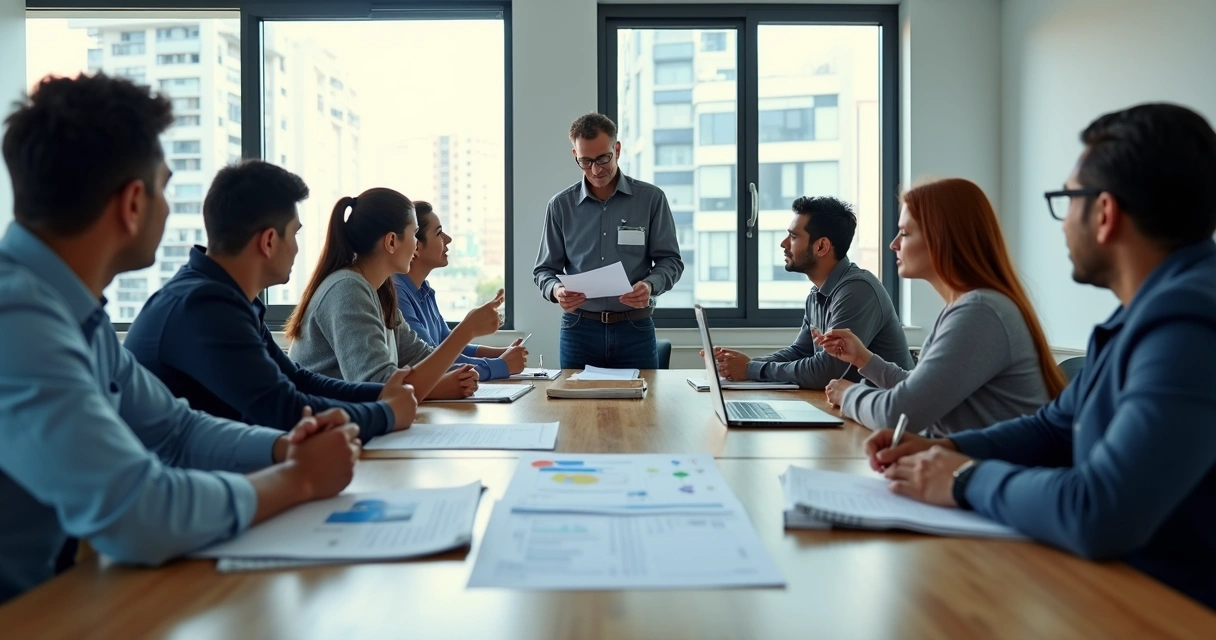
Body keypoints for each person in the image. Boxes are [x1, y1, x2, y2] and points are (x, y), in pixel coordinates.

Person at [0, 74, 362, 604]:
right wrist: (298, 481)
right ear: (132, 204)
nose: (171, 209)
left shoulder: (71, 310)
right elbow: (135, 512)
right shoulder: (18, 320)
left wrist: (285, 446)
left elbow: (175, 430)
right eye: (165, 187)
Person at [863, 103, 1216, 610]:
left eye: (1067, 200)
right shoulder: (1139, 315)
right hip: (1110, 589)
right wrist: (944, 449)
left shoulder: (1188, 324)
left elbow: (1099, 511)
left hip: (1167, 610)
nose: (1063, 220)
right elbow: (1054, 429)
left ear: (1104, 213)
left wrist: (963, 479)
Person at [125, 161, 418, 440]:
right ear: (268, 242)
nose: (295, 249)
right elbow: (282, 409)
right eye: (294, 234)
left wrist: (378, 395)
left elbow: (296, 379)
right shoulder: (204, 305)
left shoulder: (227, 297)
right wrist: (385, 413)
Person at [816, 178, 1065, 435]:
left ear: (942, 237)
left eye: (904, 232)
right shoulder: (966, 307)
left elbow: (898, 415)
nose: (894, 244)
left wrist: (849, 394)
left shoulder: (980, 312)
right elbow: (919, 390)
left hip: (988, 472)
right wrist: (862, 358)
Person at [287, 189, 503, 396]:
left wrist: (459, 375)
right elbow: (379, 388)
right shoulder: (347, 290)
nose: (417, 245)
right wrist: (466, 331)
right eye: (414, 234)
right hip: (325, 427)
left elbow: (418, 356)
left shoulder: (380, 290)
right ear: (391, 241)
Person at [710, 196, 912, 389]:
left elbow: (826, 371)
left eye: (794, 236)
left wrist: (751, 369)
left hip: (889, 414)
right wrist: (740, 366)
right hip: (850, 407)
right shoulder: (817, 294)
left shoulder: (857, 290)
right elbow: (801, 351)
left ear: (822, 246)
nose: (784, 243)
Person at [533, 113, 684, 369]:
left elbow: (671, 261)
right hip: (578, 330)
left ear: (617, 149)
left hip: (635, 328)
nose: (596, 169)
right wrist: (556, 291)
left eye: (603, 158)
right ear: (575, 156)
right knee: (573, 408)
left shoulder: (651, 199)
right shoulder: (560, 206)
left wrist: (649, 285)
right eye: (586, 161)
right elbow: (544, 270)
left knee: (642, 407)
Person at [394, 200, 527, 380]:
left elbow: (449, 345)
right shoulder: (397, 293)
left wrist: (503, 353)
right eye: (439, 233)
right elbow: (430, 360)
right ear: (416, 245)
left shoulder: (424, 290)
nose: (448, 239)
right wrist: (500, 365)